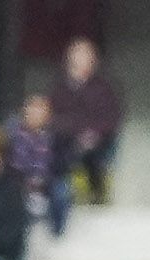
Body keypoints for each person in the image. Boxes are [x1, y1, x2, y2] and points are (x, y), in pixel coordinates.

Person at [52, 39, 124, 207]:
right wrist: (75, 132)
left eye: (86, 56)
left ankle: (96, 196)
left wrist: (93, 134)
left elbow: (113, 118)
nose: (81, 60)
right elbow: (54, 116)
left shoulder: (104, 88)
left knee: (95, 157)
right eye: (77, 55)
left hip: (98, 141)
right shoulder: (59, 88)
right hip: (67, 139)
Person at [8, 95, 68, 237]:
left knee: (62, 192)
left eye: (40, 110)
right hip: (19, 181)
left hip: (48, 181)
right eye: (32, 110)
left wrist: (45, 180)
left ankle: (56, 233)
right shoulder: (13, 136)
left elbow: (62, 163)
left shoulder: (57, 136)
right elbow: (9, 163)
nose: (36, 114)